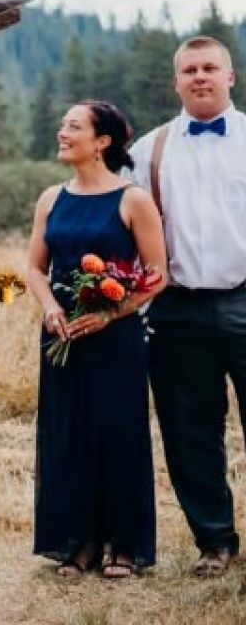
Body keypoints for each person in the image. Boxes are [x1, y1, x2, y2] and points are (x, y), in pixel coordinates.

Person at [27, 100, 167, 579]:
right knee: (68, 436)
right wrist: (50, 307)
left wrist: (110, 314)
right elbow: (34, 268)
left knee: (117, 434)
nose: (62, 132)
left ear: (102, 141)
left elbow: (157, 275)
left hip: (115, 339)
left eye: (73, 126)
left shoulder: (132, 200)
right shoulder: (50, 199)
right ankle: (79, 540)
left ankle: (124, 545)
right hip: (61, 335)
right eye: (63, 124)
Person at [127, 35, 246, 577]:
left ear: (230, 77)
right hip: (176, 308)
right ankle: (215, 542)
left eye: (210, 68)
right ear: (176, 81)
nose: (200, 77)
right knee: (189, 430)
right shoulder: (148, 151)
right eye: (190, 70)